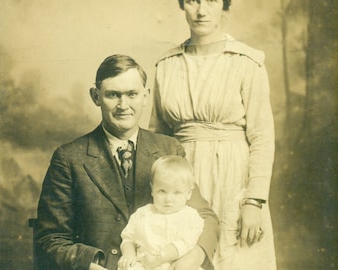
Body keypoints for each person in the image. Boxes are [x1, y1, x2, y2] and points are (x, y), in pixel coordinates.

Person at [36, 54, 219, 270]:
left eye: (132, 94)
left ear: (145, 95)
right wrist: (93, 266)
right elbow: (51, 239)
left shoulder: (169, 148)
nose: (124, 105)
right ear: (96, 97)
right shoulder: (69, 158)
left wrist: (189, 260)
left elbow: (205, 217)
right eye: (113, 95)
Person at [149, 0, 276, 269]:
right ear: (183, 5)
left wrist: (254, 201)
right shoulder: (166, 65)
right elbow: (156, 137)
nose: (201, 11)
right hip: (181, 180)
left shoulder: (246, 62)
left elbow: (262, 137)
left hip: (233, 179)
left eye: (212, 0)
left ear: (225, 5)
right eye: (194, 1)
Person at [118, 155, 204, 270]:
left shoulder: (190, 217)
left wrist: (159, 258)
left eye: (177, 193)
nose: (168, 199)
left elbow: (185, 243)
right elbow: (128, 238)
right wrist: (129, 254)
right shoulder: (142, 214)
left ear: (189, 193)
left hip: (176, 264)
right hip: (143, 264)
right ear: (152, 189)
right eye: (162, 191)